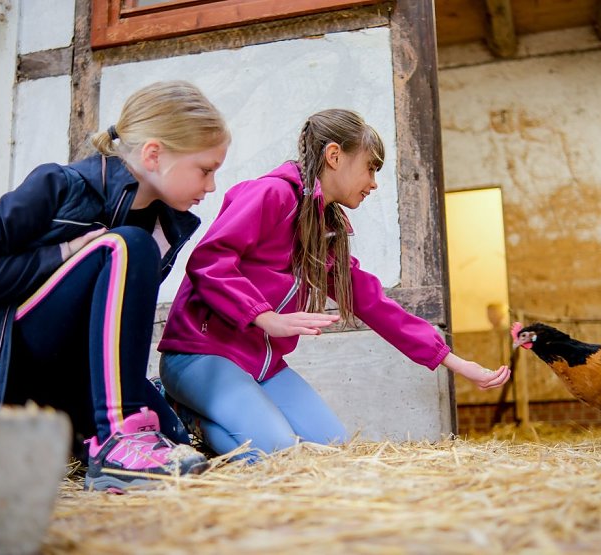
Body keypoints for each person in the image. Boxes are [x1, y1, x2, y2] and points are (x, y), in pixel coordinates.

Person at [0, 80, 230, 491]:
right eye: (205, 170)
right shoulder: (58, 185)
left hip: (66, 371)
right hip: (9, 364)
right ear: (153, 154)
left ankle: (112, 440)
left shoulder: (163, 225)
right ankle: (119, 438)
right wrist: (61, 253)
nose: (211, 186)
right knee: (126, 245)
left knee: (175, 443)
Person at [157, 108, 511, 462]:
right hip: (202, 353)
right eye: (370, 167)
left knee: (333, 450)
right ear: (334, 156)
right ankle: (184, 411)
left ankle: (208, 417)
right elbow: (209, 260)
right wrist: (265, 317)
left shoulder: (324, 228)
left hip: (261, 365)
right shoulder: (272, 194)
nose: (374, 182)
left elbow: (372, 302)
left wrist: (455, 362)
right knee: (278, 455)